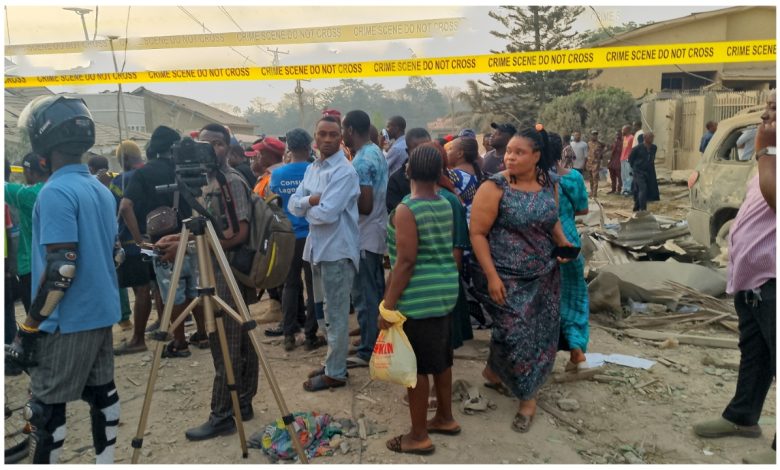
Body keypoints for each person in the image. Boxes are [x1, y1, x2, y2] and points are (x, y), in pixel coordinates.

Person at [7, 95, 120, 463]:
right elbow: (111, 253)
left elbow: (61, 271)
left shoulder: (55, 191)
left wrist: (30, 325)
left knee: (44, 408)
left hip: (67, 320)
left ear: (43, 141)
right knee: (103, 394)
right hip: (102, 312)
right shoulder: (100, 189)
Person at [156, 123, 259, 440]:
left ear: (227, 148)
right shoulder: (208, 182)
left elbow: (238, 234)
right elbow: (209, 223)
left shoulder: (231, 181)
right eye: (204, 143)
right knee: (237, 341)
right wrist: (180, 236)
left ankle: (223, 414)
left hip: (229, 272)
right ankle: (242, 401)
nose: (209, 149)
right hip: (214, 267)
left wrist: (185, 246)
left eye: (216, 143)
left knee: (225, 343)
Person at [469, 126, 572, 433]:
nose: (510, 157)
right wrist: (491, 276)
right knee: (517, 332)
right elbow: (477, 233)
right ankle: (526, 396)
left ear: (536, 156)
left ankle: (502, 378)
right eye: (508, 151)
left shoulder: (547, 184)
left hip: (545, 273)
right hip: (506, 276)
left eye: (519, 152)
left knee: (539, 334)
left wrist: (564, 243)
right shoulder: (495, 187)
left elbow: (551, 222)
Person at [693, 90, 776, 465]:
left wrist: (762, 150)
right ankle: (743, 417)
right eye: (768, 108)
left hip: (773, 280)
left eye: (775, 109)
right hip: (755, 280)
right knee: (755, 353)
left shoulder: (768, 156)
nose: (767, 117)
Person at [383, 144, 461, 455]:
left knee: (415, 370)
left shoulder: (407, 210)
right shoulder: (445, 203)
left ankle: (418, 436)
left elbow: (405, 262)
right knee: (441, 360)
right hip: (443, 293)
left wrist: (387, 306)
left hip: (417, 298)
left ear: (407, 171)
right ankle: (445, 417)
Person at [116, 126, 203, 356]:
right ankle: (203, 333)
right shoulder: (188, 170)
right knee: (195, 288)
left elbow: (125, 207)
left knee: (172, 291)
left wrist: (139, 239)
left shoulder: (143, 174)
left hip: (162, 243)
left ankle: (179, 342)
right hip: (192, 237)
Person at [289, 115, 360, 392]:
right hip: (318, 249)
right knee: (323, 310)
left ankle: (336, 372)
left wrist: (308, 207)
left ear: (340, 138)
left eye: (333, 134)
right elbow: (293, 205)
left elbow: (328, 215)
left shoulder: (344, 171)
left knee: (337, 313)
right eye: (322, 134)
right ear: (314, 138)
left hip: (337, 251)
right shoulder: (312, 169)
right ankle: (334, 361)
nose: (328, 139)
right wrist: (310, 201)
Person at [269, 128, 324, 352]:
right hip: (311, 235)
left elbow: (276, 203)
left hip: (288, 236)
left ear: (288, 148)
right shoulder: (314, 170)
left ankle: (289, 334)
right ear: (309, 145)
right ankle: (311, 335)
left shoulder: (278, 175)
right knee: (313, 287)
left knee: (290, 285)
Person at [341, 110, 388, 369]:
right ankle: (372, 340)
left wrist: (340, 202)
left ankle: (368, 350)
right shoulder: (375, 152)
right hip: (375, 231)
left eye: (341, 130)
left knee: (365, 295)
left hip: (365, 234)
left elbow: (365, 204)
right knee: (375, 291)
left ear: (349, 130)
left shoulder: (361, 161)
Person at [549, 132, 591, 373]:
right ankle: (577, 351)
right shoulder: (573, 177)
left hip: (546, 243)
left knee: (550, 299)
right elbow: (583, 210)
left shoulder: (535, 180)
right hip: (571, 241)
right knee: (574, 296)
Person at [5, 152, 48, 314]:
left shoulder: (27, 194)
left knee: (35, 317)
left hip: (31, 266)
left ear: (29, 172)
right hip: (57, 263)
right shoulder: (58, 188)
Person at [386, 128, 432, 213]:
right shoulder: (396, 180)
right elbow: (394, 213)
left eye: (427, 148)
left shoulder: (438, 174)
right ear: (408, 152)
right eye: (417, 149)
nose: (423, 152)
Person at [446, 137, 482, 223]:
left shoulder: (451, 175)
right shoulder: (481, 174)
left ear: (459, 154)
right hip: (477, 223)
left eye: (450, 149)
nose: (447, 152)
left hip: (461, 224)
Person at [628, 132, 657, 213]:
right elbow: (630, 159)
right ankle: (643, 209)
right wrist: (634, 168)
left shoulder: (654, 148)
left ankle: (636, 207)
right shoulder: (637, 148)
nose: (652, 139)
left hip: (649, 171)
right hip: (638, 171)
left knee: (640, 189)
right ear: (645, 138)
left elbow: (651, 159)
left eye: (652, 137)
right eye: (650, 137)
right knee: (642, 188)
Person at [585, 130, 605, 197]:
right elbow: (587, 152)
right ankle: (591, 191)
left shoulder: (600, 144)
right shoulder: (588, 143)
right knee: (590, 179)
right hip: (589, 163)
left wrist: (601, 155)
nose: (594, 136)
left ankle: (594, 193)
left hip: (596, 163)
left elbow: (606, 148)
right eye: (593, 134)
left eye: (595, 135)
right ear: (591, 135)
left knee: (595, 179)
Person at [619, 125, 635, 196]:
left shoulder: (632, 138)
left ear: (628, 130)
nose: (622, 131)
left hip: (628, 159)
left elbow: (633, 149)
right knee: (623, 175)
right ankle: (624, 188)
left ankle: (629, 189)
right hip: (622, 158)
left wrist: (630, 157)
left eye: (623, 130)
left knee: (629, 175)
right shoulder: (624, 137)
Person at [607, 130, 623, 194]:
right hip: (612, 162)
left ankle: (619, 190)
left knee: (619, 177)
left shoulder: (622, 142)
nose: (617, 136)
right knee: (612, 176)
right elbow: (611, 150)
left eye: (618, 134)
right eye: (616, 134)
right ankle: (613, 189)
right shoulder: (614, 142)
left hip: (619, 162)